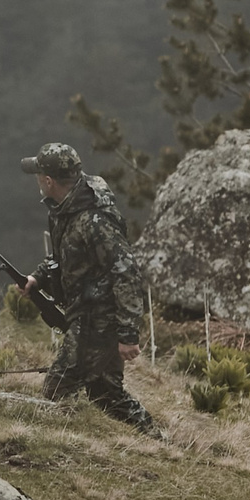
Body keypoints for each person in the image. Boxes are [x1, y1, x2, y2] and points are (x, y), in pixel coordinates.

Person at [18, 142, 159, 435]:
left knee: (57, 388)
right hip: (87, 316)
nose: (36, 180)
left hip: (98, 321)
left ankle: (54, 447)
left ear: (48, 181)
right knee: (105, 394)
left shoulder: (95, 219)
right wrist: (38, 277)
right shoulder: (64, 209)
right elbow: (63, 258)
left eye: (39, 175)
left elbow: (127, 273)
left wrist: (128, 335)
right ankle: (157, 440)